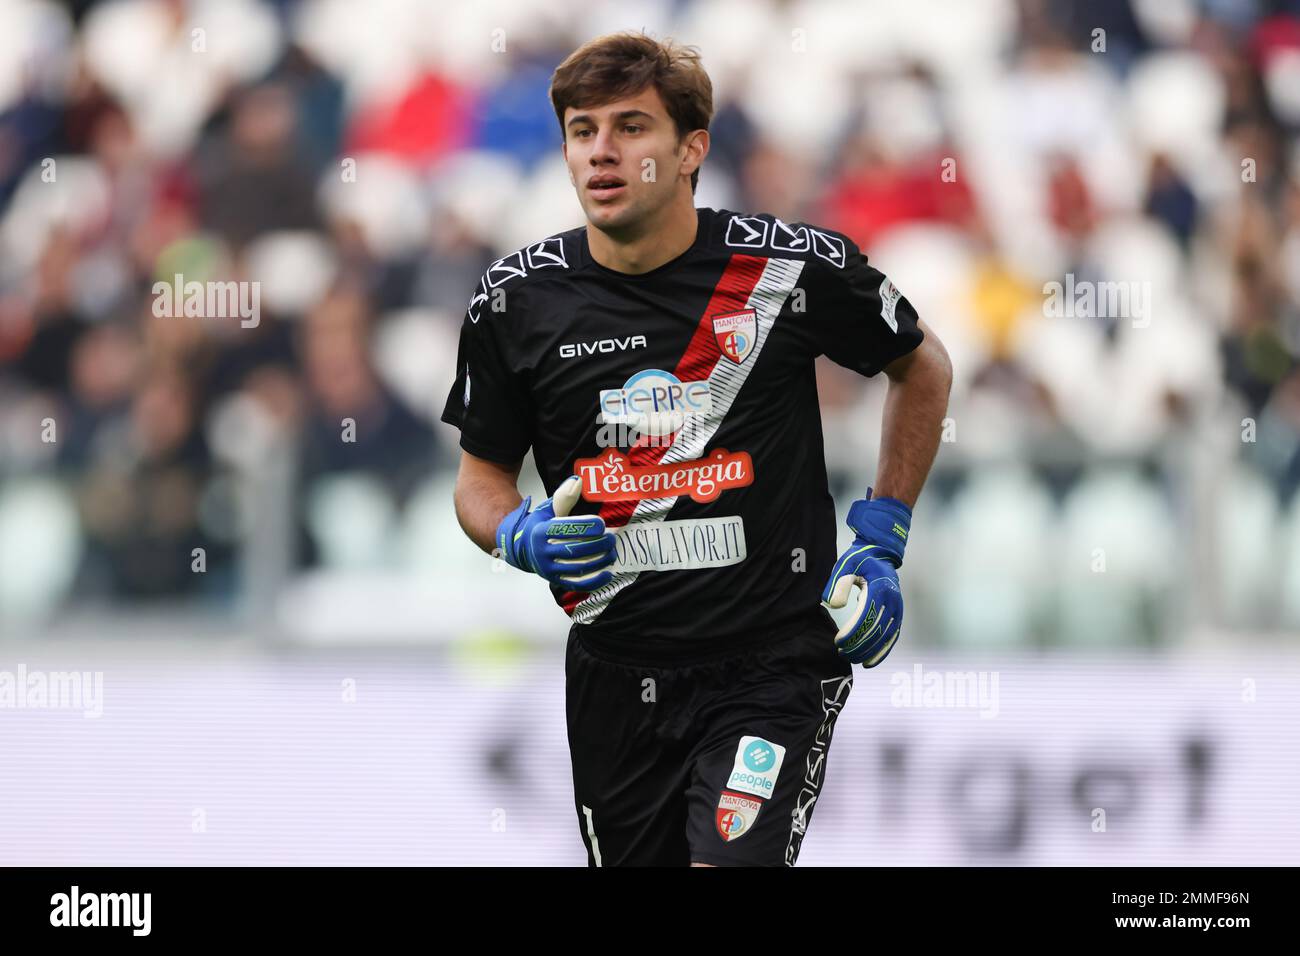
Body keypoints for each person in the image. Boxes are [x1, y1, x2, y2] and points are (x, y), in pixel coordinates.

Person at [441, 31, 952, 866]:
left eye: (631, 128)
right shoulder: (514, 301)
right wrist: (515, 535)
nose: (602, 153)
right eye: (582, 130)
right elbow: (480, 478)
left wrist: (883, 536)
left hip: (772, 665)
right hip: (615, 673)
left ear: (690, 151)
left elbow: (921, 365)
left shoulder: (787, 268)